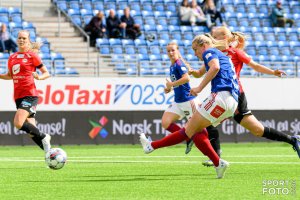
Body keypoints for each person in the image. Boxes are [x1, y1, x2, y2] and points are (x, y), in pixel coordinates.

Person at [189, 26, 300, 166]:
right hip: (224, 96)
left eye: (214, 37)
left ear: (224, 38)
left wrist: (273, 72)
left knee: (255, 130)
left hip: (236, 96)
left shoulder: (235, 52)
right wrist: (191, 71)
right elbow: (201, 72)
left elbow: (255, 66)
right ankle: (216, 157)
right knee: (257, 130)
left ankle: (215, 157)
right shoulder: (214, 53)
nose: (211, 39)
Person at [139, 34, 240, 179]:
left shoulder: (208, 52)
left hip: (220, 97)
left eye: (195, 49)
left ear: (203, 46)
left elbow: (215, 68)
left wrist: (199, 88)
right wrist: (193, 72)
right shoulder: (217, 54)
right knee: (196, 131)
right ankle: (218, 163)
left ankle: (151, 146)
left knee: (188, 130)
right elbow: (201, 72)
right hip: (231, 102)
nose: (195, 53)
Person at [0, 30, 52, 155]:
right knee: (32, 132)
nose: (21, 40)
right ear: (17, 40)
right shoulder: (12, 57)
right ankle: (49, 154)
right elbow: (10, 76)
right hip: (18, 97)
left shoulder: (32, 56)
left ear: (28, 41)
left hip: (30, 95)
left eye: (24, 38)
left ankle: (45, 136)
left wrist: (38, 77)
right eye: (19, 38)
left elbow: (46, 73)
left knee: (18, 123)